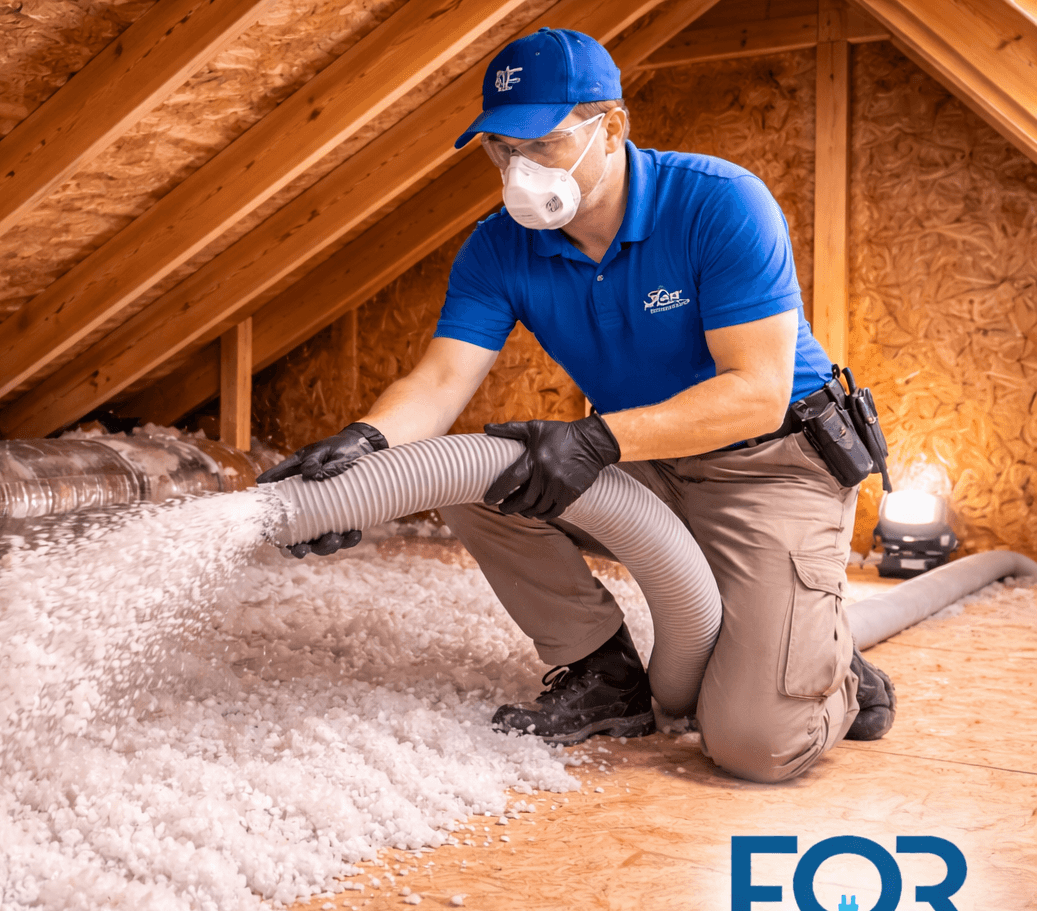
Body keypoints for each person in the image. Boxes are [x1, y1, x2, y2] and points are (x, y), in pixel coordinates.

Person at [257, 27, 895, 784]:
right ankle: (603, 674)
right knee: (467, 474)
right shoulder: (499, 247)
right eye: (502, 149)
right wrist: (365, 447)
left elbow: (756, 395)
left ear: (611, 128)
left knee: (754, 745)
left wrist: (594, 441)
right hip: (644, 454)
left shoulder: (718, 204)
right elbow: (439, 381)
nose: (519, 170)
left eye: (542, 144)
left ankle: (832, 666)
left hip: (769, 465)